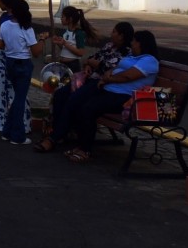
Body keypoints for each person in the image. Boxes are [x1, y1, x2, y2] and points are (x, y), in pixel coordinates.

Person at [42, 30, 160, 163]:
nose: (132, 44)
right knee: (76, 101)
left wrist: (109, 79)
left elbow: (129, 75)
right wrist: (108, 76)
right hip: (107, 89)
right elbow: (115, 69)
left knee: (88, 108)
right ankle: (64, 139)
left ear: (141, 43)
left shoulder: (149, 60)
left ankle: (85, 149)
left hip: (123, 97)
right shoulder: (132, 57)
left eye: (134, 41)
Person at [36, 21, 134, 152]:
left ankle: (53, 138)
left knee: (74, 100)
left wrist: (95, 64)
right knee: (60, 94)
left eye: (114, 32)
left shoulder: (127, 54)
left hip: (100, 84)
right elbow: (92, 57)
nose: (112, 34)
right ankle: (59, 131)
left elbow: (109, 68)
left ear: (122, 36)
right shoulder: (109, 46)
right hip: (88, 78)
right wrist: (89, 64)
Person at [0, 0, 43, 145]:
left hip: (10, 62)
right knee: (20, 100)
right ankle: (17, 135)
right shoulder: (27, 28)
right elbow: (36, 52)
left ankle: (7, 131)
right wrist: (42, 40)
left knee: (17, 99)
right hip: (23, 63)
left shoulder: (5, 25)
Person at [0, 0, 31, 135]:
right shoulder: (21, 21)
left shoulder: (6, 21)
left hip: (3, 58)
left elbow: (0, 44)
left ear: (6, 3)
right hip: (17, 59)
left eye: (0, 2)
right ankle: (21, 122)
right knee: (16, 92)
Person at [49, 6, 100, 73]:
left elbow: (80, 52)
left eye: (63, 17)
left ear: (70, 19)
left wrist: (65, 44)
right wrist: (59, 43)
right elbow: (65, 49)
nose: (61, 18)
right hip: (63, 64)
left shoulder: (79, 33)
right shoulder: (66, 32)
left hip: (72, 65)